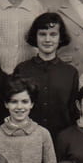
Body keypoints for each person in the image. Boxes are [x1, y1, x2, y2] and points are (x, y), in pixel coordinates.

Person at [14, 12, 79, 140]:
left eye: (53, 34)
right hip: (27, 138)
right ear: (35, 37)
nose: (47, 40)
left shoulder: (70, 73)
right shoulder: (22, 70)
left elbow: (73, 112)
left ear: (60, 38)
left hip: (61, 139)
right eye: (42, 34)